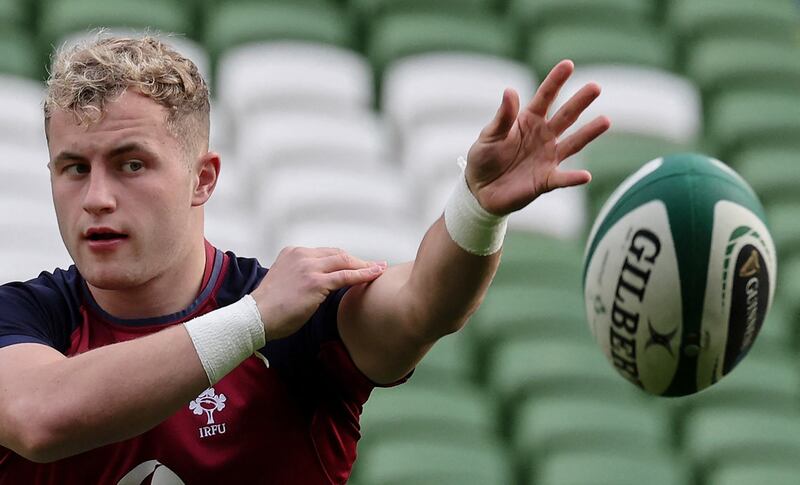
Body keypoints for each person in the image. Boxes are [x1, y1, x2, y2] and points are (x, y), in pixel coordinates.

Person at [0, 36, 609, 484]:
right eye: (73, 168)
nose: (97, 198)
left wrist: (476, 210)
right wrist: (252, 322)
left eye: (131, 164)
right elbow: (39, 417)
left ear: (202, 179)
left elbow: (424, 302)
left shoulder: (299, 322)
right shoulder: (22, 320)